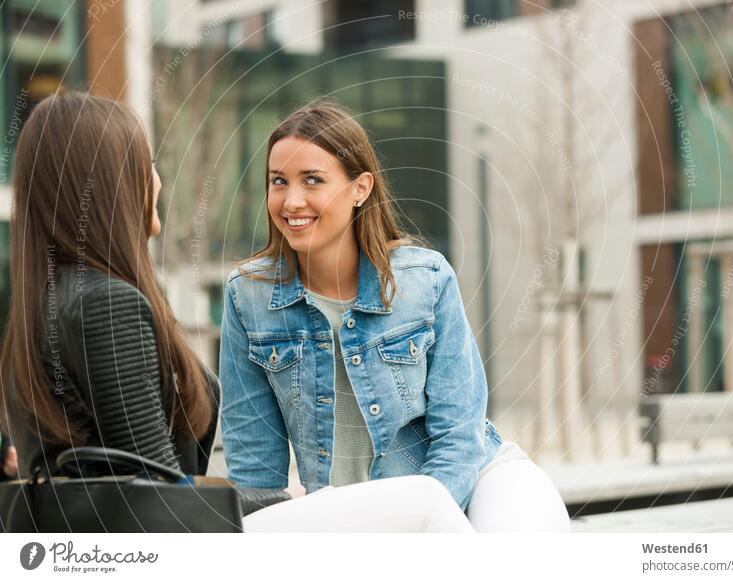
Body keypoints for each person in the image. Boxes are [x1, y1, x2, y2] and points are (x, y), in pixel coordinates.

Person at [0, 91, 473, 533]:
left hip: (115, 543)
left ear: (361, 189)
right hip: (153, 545)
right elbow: (155, 490)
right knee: (428, 503)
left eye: (312, 180)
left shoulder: (48, 299)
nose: (158, 180)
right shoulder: (107, 304)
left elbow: (127, 472)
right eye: (146, 165)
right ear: (111, 184)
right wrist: (277, 500)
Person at [220, 101, 571, 532]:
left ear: (360, 189)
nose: (292, 200)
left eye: (313, 180)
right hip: (365, 512)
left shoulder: (424, 280)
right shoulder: (248, 297)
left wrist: (419, 528)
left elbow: (459, 437)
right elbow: (254, 470)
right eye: (279, 181)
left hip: (476, 478)